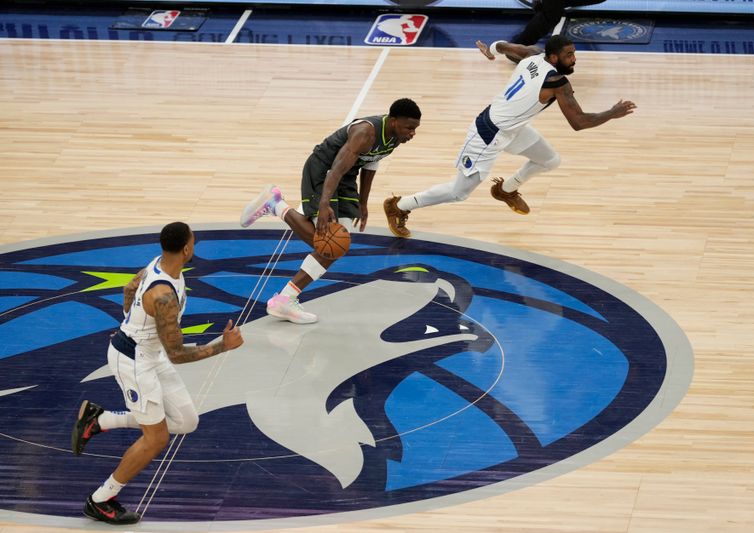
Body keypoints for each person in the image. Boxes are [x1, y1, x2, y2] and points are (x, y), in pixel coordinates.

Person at [71, 222, 244, 525]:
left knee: (187, 421)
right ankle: (100, 499)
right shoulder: (164, 296)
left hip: (151, 352)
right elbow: (177, 354)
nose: (195, 244)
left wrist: (131, 322)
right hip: (134, 361)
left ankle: (100, 420)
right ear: (187, 249)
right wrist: (222, 346)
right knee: (156, 438)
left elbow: (128, 289)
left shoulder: (158, 264)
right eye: (194, 241)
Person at [383, 36, 635, 238]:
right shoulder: (558, 83)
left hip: (513, 129)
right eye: (570, 55)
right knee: (459, 193)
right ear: (555, 57)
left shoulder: (533, 54)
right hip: (488, 133)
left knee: (550, 161)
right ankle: (400, 205)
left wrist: (492, 49)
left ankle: (506, 189)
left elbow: (506, 46)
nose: (574, 59)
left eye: (574, 53)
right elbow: (579, 122)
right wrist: (612, 113)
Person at [240, 98, 421, 324]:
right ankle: (276, 205)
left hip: (346, 176)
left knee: (336, 244)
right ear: (394, 122)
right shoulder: (366, 133)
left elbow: (371, 163)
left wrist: (363, 203)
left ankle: (285, 298)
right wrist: (324, 204)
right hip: (323, 170)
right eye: (409, 128)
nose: (412, 133)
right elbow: (334, 169)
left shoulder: (395, 138)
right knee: (330, 244)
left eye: (415, 129)